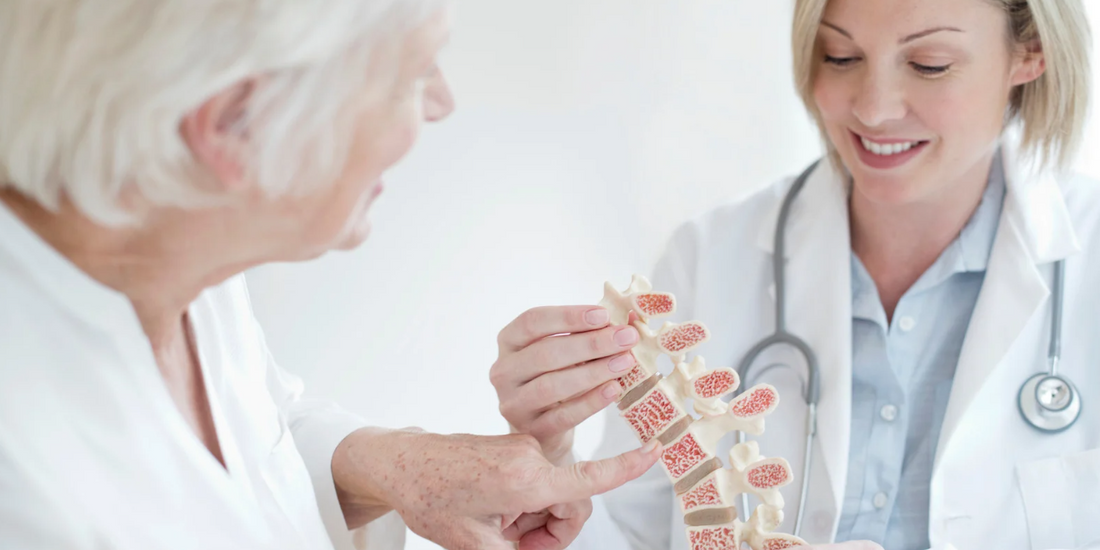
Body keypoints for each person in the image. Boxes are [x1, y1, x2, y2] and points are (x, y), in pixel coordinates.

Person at [0, 1, 662, 549]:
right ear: (233, 125)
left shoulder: (170, 241)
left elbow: (259, 438)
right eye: (412, 73)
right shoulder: (28, 487)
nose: (441, 103)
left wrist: (394, 465)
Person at [491, 0, 1099, 548]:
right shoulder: (709, 258)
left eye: (930, 64)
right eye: (840, 56)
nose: (874, 107)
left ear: (1030, 52)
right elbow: (629, 532)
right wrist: (553, 471)